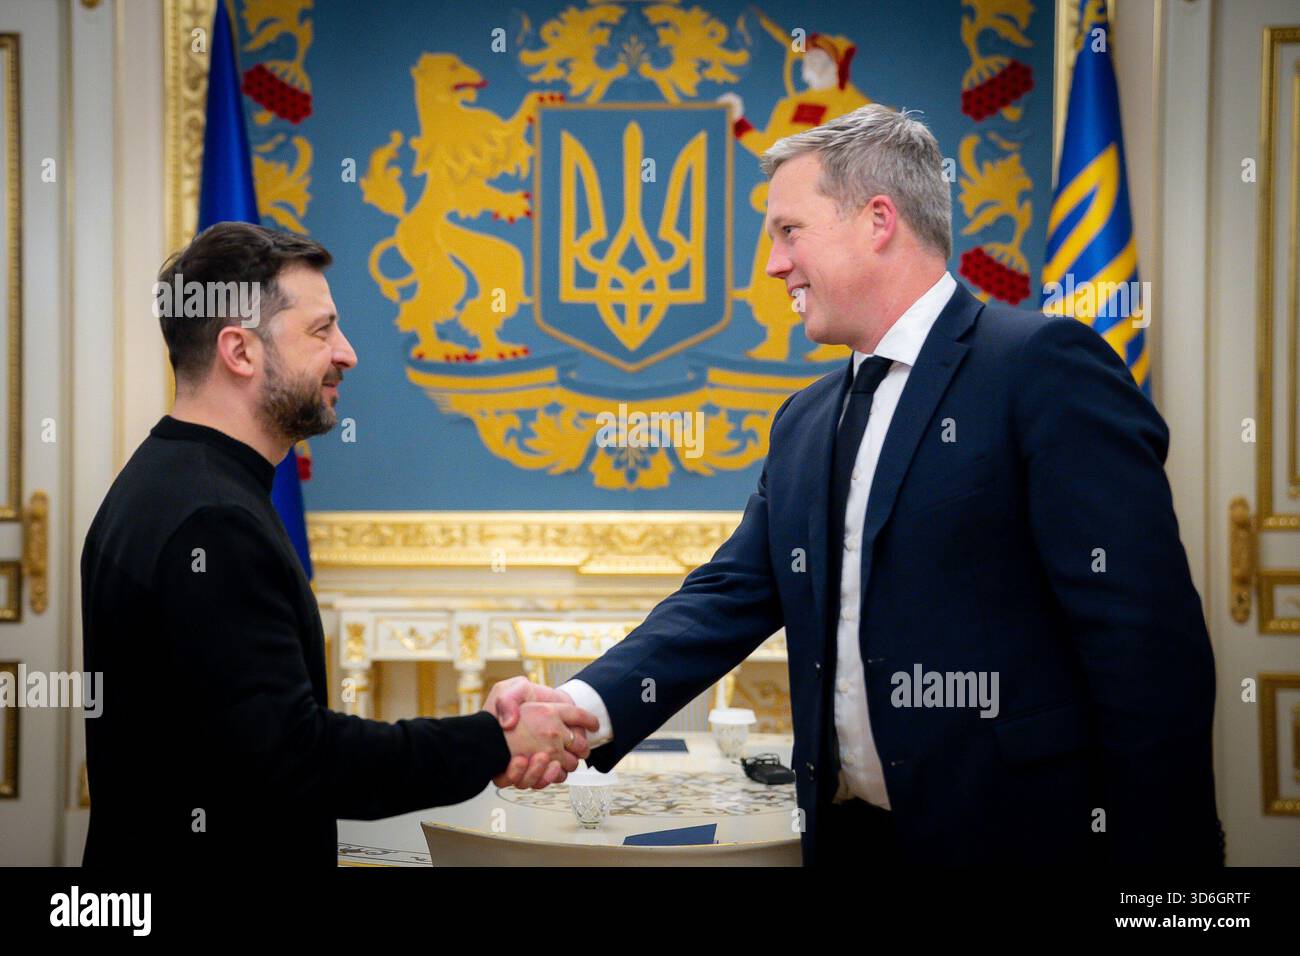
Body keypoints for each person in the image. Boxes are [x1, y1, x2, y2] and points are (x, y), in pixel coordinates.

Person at [486, 104, 1224, 866]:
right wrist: (578, 704)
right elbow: (729, 596)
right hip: (849, 845)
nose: (773, 265)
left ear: (877, 219)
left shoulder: (1041, 367)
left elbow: (1143, 644)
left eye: (788, 231)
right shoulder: (807, 421)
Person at [80, 222, 597, 867]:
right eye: (322, 331)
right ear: (239, 351)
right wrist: (493, 741)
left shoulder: (160, 478)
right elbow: (297, 758)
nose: (347, 354)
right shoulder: (213, 521)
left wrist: (486, 735)